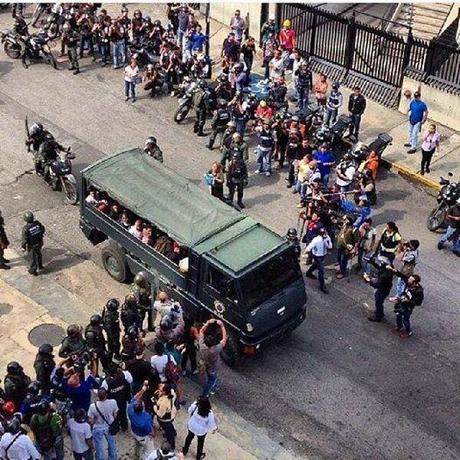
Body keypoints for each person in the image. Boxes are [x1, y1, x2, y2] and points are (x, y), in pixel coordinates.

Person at [388, 273, 424, 338]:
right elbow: (404, 291)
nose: (408, 280)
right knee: (398, 314)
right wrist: (399, 297)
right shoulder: (408, 284)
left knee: (405, 319)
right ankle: (399, 327)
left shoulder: (419, 292)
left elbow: (419, 303)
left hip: (408, 307)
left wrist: (408, 301)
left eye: (410, 280)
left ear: (414, 283)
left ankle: (408, 331)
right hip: (402, 302)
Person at [182, 396, 217, 460]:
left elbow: (189, 411)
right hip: (201, 430)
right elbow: (211, 424)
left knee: (189, 438)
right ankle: (198, 456)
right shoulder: (209, 413)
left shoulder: (195, 406)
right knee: (200, 443)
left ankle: (185, 450)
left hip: (192, 426)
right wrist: (214, 429)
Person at [199, 319, 228, 397]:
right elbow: (224, 339)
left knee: (210, 376)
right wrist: (222, 326)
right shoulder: (216, 349)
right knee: (211, 380)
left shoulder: (202, 345)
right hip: (212, 367)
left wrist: (207, 323)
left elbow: (201, 331)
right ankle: (206, 393)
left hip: (204, 363)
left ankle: (213, 386)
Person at [88, 388, 118, 460]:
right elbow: (115, 415)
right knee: (112, 443)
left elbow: (91, 421)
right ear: (106, 395)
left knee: (98, 446)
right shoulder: (113, 402)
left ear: (98, 396)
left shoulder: (92, 406)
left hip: (98, 427)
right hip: (110, 426)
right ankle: (112, 458)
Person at [128, 382, 155, 460]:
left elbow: (136, 397)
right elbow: (151, 432)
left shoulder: (130, 409)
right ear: (142, 407)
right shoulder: (146, 418)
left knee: (137, 444)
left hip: (134, 432)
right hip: (143, 437)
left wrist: (143, 390)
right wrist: (153, 435)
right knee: (148, 451)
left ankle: (136, 454)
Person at [101, 363, 131, 432]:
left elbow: (103, 393)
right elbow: (128, 386)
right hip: (122, 401)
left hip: (113, 403)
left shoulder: (106, 382)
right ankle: (124, 426)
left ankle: (117, 427)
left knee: (115, 416)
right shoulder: (123, 376)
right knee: (123, 414)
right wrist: (128, 398)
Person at [365, 256, 395, 322]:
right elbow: (379, 267)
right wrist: (372, 262)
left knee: (379, 302)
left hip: (383, 289)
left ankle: (379, 316)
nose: (380, 263)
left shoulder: (385, 275)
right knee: (378, 299)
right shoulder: (387, 269)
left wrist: (368, 280)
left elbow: (377, 285)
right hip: (385, 288)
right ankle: (379, 312)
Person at [305, 228, 332, 293]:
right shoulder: (316, 240)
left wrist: (326, 241)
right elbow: (310, 246)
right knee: (321, 271)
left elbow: (330, 246)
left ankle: (308, 273)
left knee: (316, 265)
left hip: (323, 254)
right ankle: (322, 286)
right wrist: (306, 251)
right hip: (317, 256)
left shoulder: (327, 238)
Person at [153, 384, 177, 451]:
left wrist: (154, 407)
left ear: (164, 392)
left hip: (165, 420)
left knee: (168, 433)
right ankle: (174, 432)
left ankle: (172, 445)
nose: (159, 386)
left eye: (161, 388)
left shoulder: (164, 402)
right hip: (171, 414)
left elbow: (160, 414)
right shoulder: (172, 392)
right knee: (170, 426)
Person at [21, 211, 45, 276]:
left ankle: (33, 270)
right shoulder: (37, 223)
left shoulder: (26, 228)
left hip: (32, 245)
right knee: (39, 254)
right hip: (39, 242)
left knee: (32, 258)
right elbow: (42, 229)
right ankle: (40, 266)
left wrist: (23, 247)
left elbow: (24, 239)